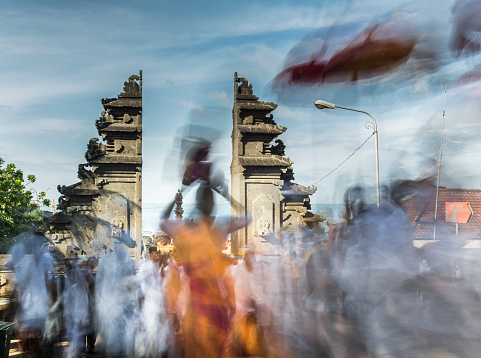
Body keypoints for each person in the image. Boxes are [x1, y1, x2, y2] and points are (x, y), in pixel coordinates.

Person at [161, 183, 248, 357]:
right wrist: (226, 194)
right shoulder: (219, 230)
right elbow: (247, 217)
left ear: (198, 204)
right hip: (216, 300)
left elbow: (163, 221)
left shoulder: (185, 230)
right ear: (212, 204)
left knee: (198, 346)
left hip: (196, 302)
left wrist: (181, 193)